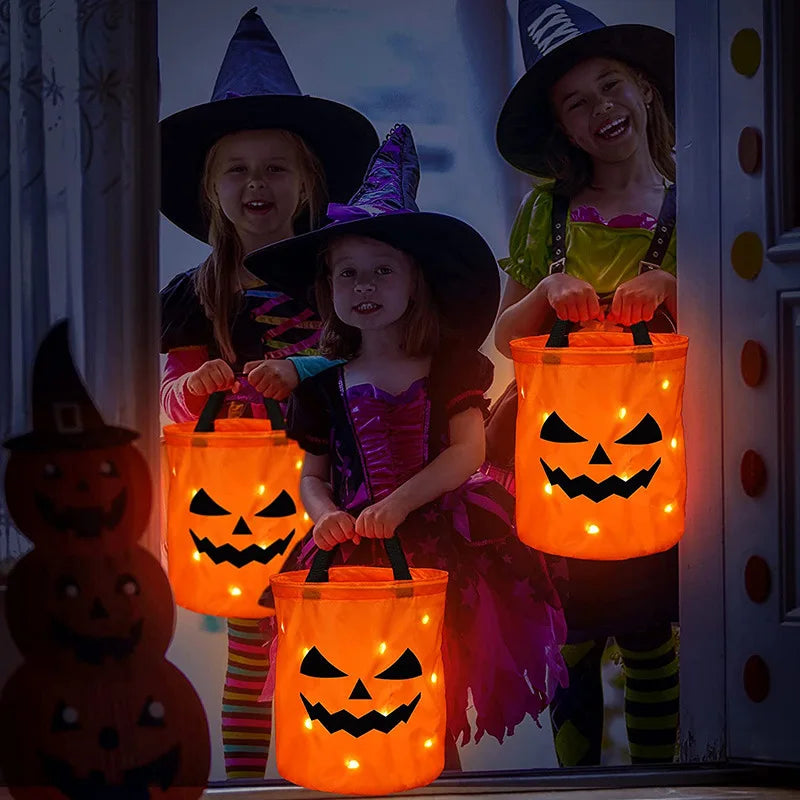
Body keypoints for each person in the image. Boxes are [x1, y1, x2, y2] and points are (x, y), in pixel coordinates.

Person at [247, 124, 568, 770]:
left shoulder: (450, 367)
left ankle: (439, 774)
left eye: (381, 271)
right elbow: (311, 474)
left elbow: (467, 453)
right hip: (353, 554)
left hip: (442, 546)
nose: (363, 287)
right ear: (327, 291)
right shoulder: (324, 384)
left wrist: (400, 502)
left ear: (415, 281)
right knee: (357, 678)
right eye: (348, 274)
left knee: (426, 685)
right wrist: (324, 515)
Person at [158, 9, 378, 779]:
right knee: (251, 658)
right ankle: (250, 787)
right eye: (238, 169)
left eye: (277, 167)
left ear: (309, 181)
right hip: (247, 509)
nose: (258, 184)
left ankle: (352, 778)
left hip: (341, 492)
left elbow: (369, 359)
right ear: (212, 189)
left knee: (352, 659)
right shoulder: (194, 296)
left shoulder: (340, 281)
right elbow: (166, 399)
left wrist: (305, 370)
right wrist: (190, 387)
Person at [489, 0, 679, 767]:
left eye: (611, 87)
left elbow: (736, 329)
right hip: (557, 457)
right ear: (562, 130)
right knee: (569, 629)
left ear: (644, 91)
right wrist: (546, 293)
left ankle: (660, 774)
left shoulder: (693, 205)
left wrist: (671, 284)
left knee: (647, 624)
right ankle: (578, 777)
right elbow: (507, 334)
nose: (600, 108)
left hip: (655, 455)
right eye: (577, 102)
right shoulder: (548, 214)